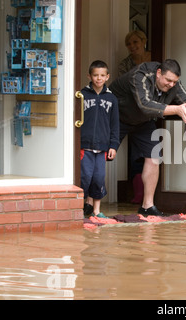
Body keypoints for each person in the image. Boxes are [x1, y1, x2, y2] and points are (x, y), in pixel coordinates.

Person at [109, 59, 186, 216]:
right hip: (117, 117)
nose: (171, 85)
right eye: (168, 80)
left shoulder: (173, 85)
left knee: (154, 157)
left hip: (142, 121)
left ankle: (147, 206)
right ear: (158, 73)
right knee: (100, 155)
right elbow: (145, 104)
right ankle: (89, 204)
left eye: (174, 81)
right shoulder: (140, 76)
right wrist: (175, 109)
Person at [81, 60, 120, 218]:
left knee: (98, 178)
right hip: (85, 146)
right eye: (95, 75)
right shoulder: (81, 95)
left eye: (102, 75)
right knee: (84, 177)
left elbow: (115, 124)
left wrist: (114, 145)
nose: (98, 78)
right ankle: (81, 207)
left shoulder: (112, 99)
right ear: (89, 76)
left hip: (102, 147)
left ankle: (96, 210)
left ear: (107, 77)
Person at [118, 30, 152, 204]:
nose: (132, 46)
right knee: (135, 154)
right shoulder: (125, 64)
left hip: (151, 114)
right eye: (129, 44)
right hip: (131, 112)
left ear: (144, 41)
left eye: (135, 42)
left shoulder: (154, 60)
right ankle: (138, 193)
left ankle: (148, 199)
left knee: (152, 154)